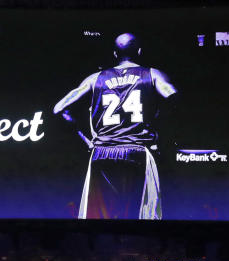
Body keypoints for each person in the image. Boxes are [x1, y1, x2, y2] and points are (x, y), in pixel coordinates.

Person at [53, 32, 177, 220]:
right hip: (137, 151)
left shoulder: (95, 78)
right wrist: (158, 121)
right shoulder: (151, 74)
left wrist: (85, 139)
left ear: (114, 54)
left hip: (102, 152)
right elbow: (173, 96)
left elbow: (59, 108)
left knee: (98, 217)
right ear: (140, 51)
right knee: (143, 215)